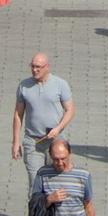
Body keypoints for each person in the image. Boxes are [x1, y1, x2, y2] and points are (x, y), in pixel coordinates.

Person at [11, 53, 77, 181]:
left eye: (38, 67)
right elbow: (18, 114)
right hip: (33, 141)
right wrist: (16, 142)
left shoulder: (60, 84)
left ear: (47, 67)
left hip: (55, 141)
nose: (34, 70)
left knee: (55, 180)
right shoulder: (24, 86)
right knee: (35, 182)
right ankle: (36, 201)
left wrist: (58, 129)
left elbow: (70, 110)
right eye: (32, 66)